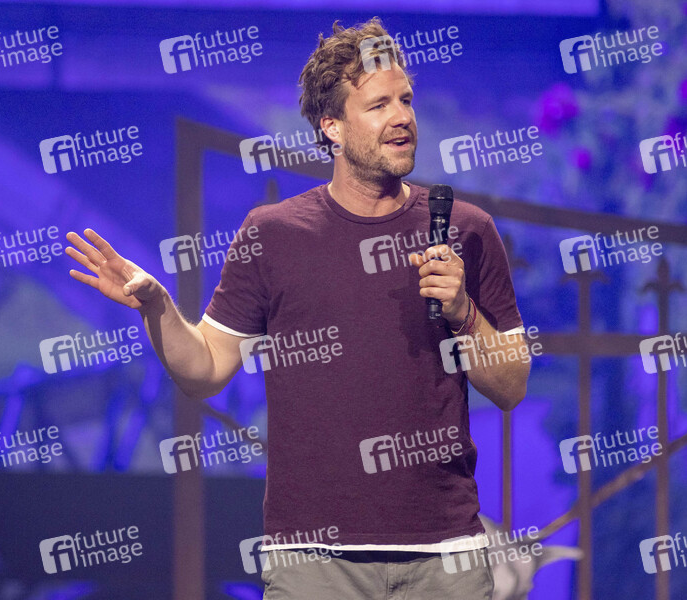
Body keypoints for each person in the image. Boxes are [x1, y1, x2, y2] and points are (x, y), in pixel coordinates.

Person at [65, 16, 529, 600]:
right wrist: (156, 307)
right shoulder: (274, 234)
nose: (402, 117)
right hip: (314, 564)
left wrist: (462, 311)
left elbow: (511, 385)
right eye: (379, 104)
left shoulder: (466, 228)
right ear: (331, 126)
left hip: (445, 559)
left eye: (406, 100)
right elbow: (206, 369)